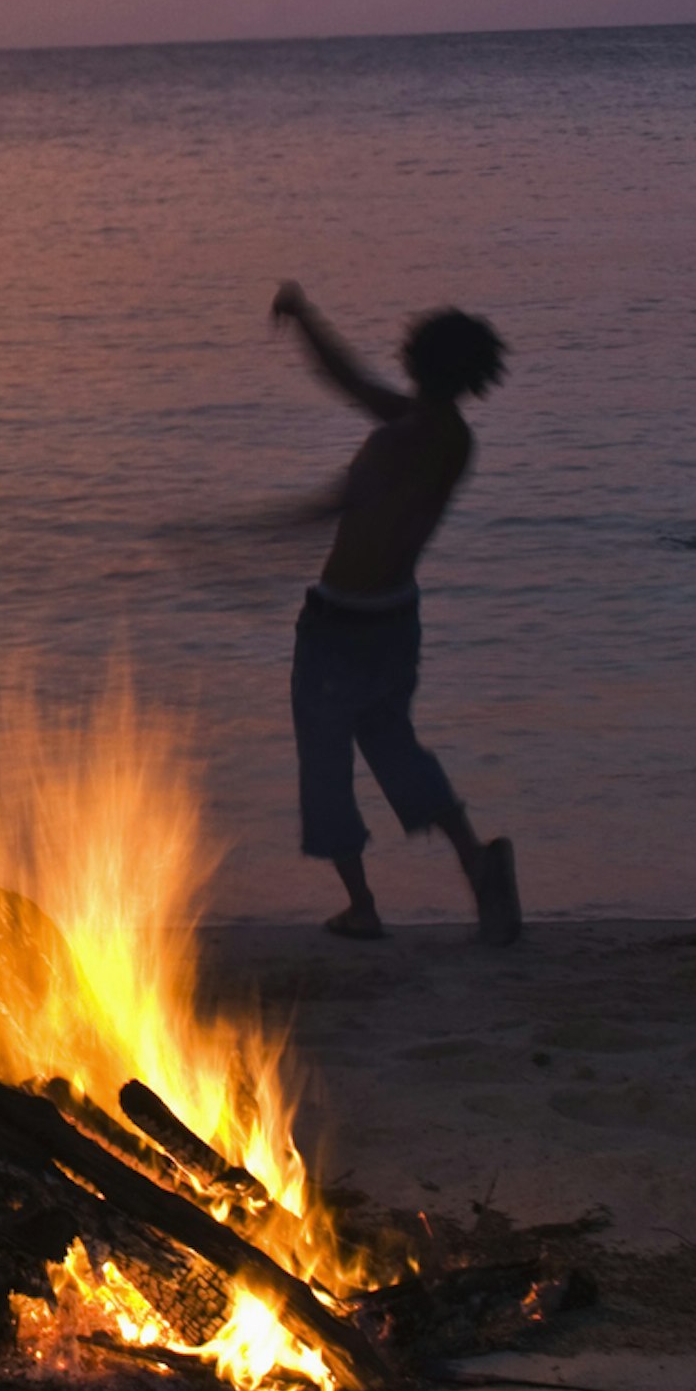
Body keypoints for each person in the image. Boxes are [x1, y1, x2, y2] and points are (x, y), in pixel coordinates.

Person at [269, 280, 519, 945]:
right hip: (395, 622)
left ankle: (363, 907)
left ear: (416, 360)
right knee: (393, 744)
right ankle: (476, 862)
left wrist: (246, 531)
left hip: (338, 626)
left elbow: (338, 503)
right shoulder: (448, 435)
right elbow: (350, 382)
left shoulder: (405, 438)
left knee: (325, 765)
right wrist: (305, 314)